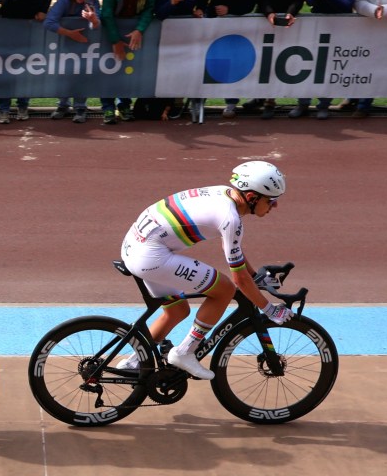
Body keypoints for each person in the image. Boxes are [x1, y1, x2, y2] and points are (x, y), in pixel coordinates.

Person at [118, 161, 291, 379]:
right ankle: (184, 352)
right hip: (151, 255)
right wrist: (270, 310)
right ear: (252, 197)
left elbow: (234, 250)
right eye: (271, 200)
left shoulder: (223, 194)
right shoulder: (230, 218)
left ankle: (134, 362)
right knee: (225, 289)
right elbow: (239, 280)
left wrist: (254, 274)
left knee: (177, 311)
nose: (274, 206)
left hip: (136, 246)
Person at [289, 0, 361, 120]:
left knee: (329, 67)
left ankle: (324, 104)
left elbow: (345, 6)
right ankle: (303, 103)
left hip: (337, 28)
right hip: (317, 24)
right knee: (307, 64)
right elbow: (309, 0)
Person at [211, 0, 266, 119]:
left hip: (239, 22)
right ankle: (199, 101)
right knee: (209, 58)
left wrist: (231, 9)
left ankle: (231, 103)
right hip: (216, 20)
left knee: (235, 60)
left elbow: (250, 3)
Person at [0, 0, 53, 124]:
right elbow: (7, 2)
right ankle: (4, 109)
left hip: (31, 26)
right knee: (8, 68)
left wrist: (43, 10)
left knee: (27, 68)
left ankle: (23, 105)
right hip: (12, 26)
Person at [99, 0, 156, 124]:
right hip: (112, 27)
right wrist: (115, 41)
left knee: (129, 68)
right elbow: (107, 14)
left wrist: (140, 29)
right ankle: (107, 106)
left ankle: (124, 104)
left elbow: (149, 8)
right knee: (108, 68)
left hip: (133, 29)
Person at [44, 0, 101, 124]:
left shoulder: (93, 1)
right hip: (66, 43)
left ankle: (80, 107)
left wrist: (93, 20)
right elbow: (49, 22)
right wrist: (69, 33)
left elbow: (97, 26)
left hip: (85, 44)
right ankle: (63, 104)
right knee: (64, 73)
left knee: (82, 73)